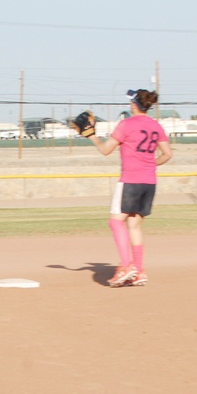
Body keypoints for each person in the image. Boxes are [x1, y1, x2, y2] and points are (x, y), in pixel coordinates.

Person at [78, 89, 172, 287]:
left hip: (130, 180)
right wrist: (150, 164)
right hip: (149, 181)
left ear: (133, 105)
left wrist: (91, 136)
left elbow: (105, 150)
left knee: (115, 222)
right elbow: (167, 154)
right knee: (134, 224)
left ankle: (127, 266)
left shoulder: (127, 124)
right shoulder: (156, 126)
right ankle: (139, 271)